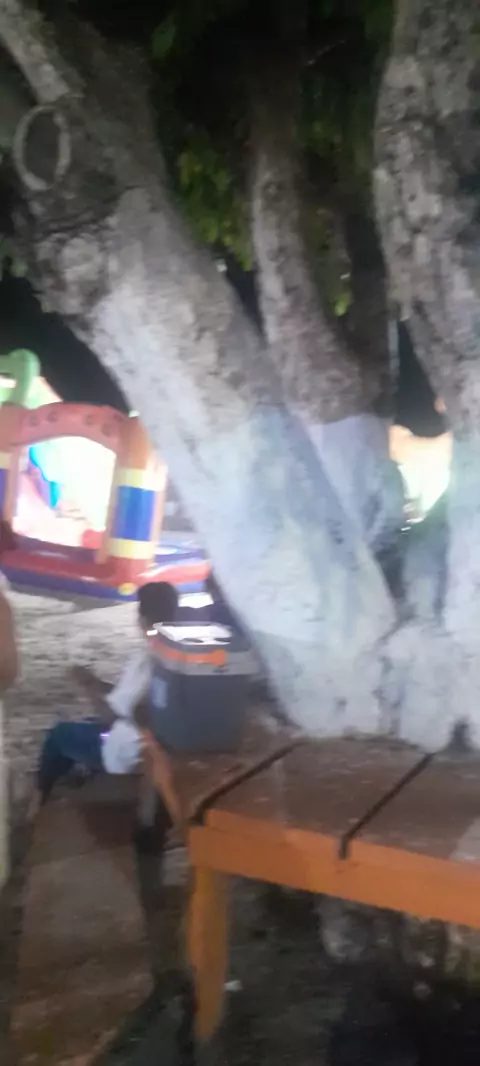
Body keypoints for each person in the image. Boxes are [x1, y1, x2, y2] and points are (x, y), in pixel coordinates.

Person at [30, 581, 178, 815]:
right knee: (89, 725)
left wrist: (87, 684)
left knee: (59, 734)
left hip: (129, 752)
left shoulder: (147, 659)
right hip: (160, 740)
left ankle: (38, 803)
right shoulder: (181, 655)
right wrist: (99, 683)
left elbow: (110, 715)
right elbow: (128, 698)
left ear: (142, 620)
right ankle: (81, 774)